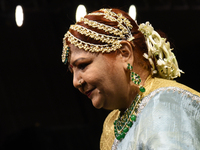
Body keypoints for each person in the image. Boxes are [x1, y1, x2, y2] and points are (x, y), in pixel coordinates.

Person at [61, 8, 200, 150]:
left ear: (124, 53)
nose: (76, 81)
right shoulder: (112, 123)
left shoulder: (165, 102)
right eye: (72, 71)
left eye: (83, 65)